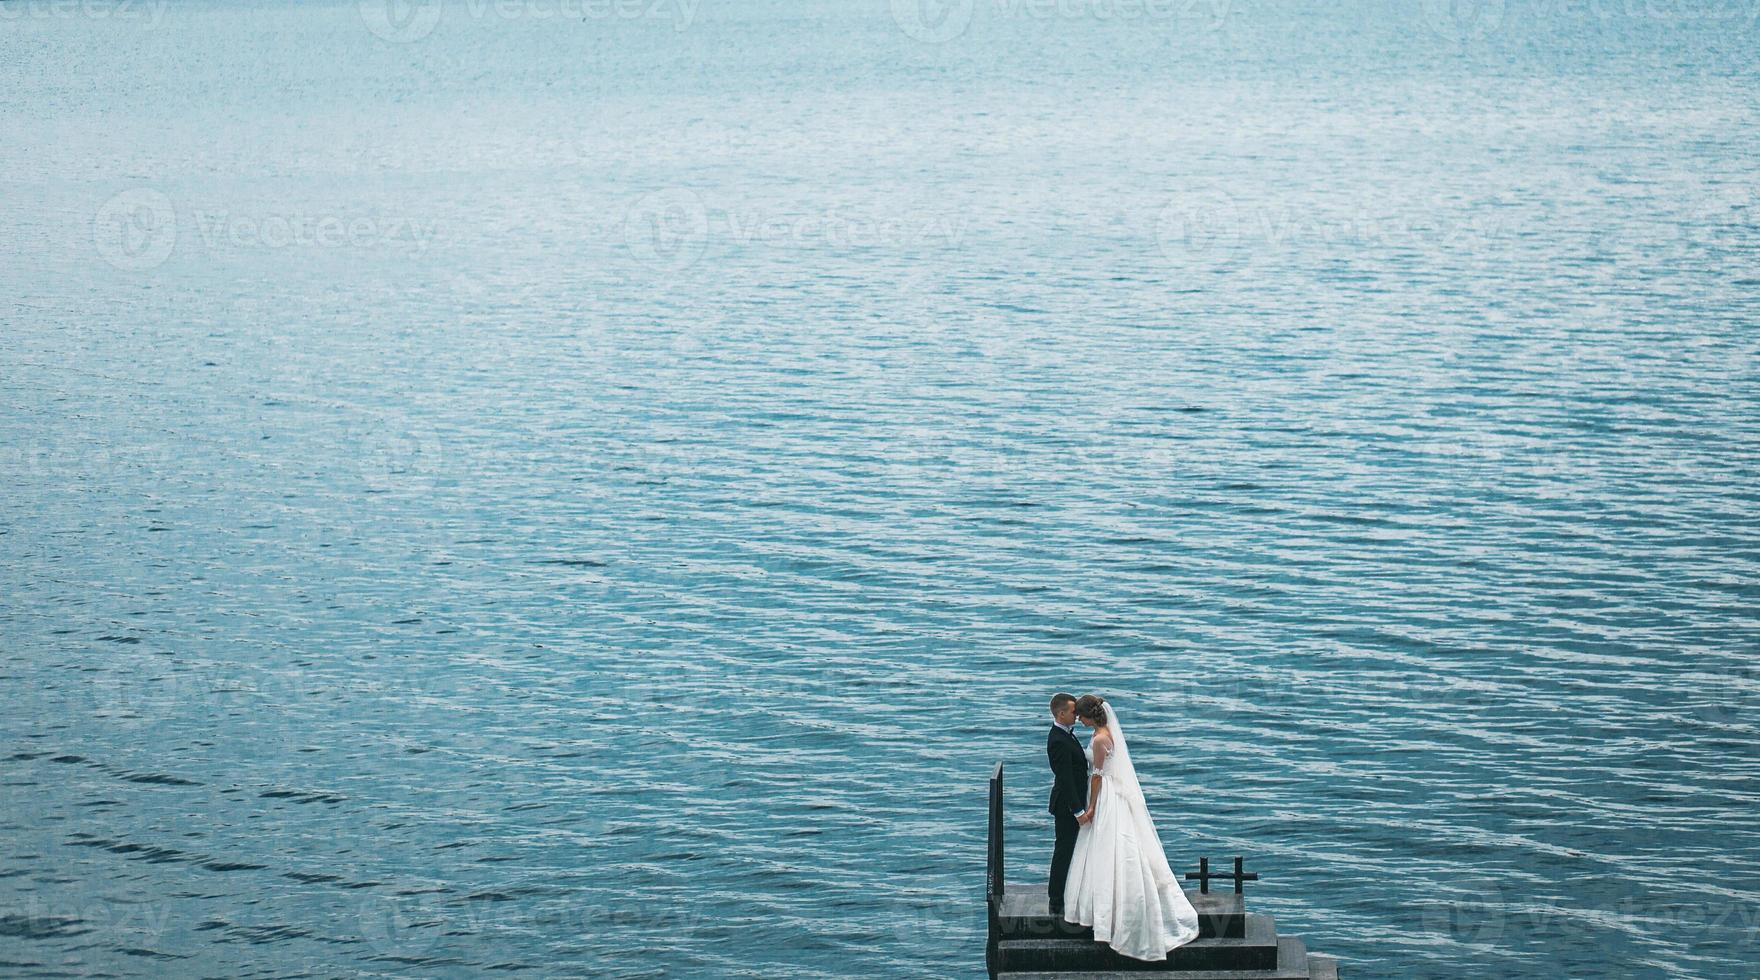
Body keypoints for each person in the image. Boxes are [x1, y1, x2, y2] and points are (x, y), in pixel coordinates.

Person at [1061, 694, 1200, 961]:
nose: (1079, 720)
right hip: (1113, 793)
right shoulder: (1105, 733)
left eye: (1081, 716)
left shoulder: (1100, 739)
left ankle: (1108, 915)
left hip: (1106, 796)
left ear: (1090, 717)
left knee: (1106, 848)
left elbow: (1098, 777)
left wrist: (1090, 807)